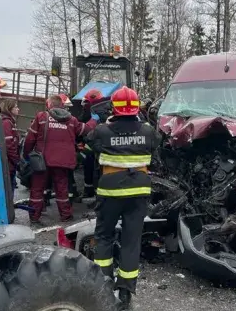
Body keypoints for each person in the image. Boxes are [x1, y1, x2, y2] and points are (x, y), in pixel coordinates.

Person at [84, 86, 161, 309]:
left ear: (113, 107)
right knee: (131, 240)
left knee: (104, 236)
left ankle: (103, 284)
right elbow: (156, 145)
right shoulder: (147, 131)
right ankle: (125, 292)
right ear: (137, 107)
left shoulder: (101, 130)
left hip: (110, 190)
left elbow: (89, 143)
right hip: (139, 190)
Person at [23, 94, 96, 223]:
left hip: (42, 160)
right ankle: (65, 215)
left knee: (37, 189)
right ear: (62, 105)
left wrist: (27, 154)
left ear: (49, 105)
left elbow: (30, 138)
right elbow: (87, 131)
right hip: (63, 161)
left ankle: (34, 216)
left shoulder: (41, 117)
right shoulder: (72, 120)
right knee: (62, 189)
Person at [0, 97, 20, 191]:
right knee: (8, 189)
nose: (18, 109)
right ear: (9, 108)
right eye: (16, 107)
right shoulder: (7, 122)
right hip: (8, 164)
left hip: (9, 163)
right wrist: (16, 160)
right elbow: (8, 144)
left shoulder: (9, 121)